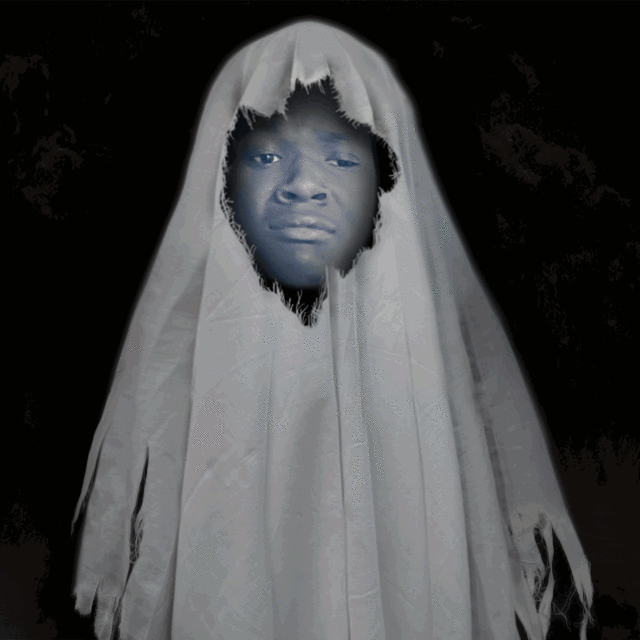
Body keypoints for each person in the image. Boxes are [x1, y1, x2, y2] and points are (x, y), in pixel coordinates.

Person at [70, 19, 593, 640]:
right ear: (224, 176)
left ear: (386, 179)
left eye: (341, 158)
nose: (302, 186)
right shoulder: (195, 380)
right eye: (266, 156)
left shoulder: (428, 387)